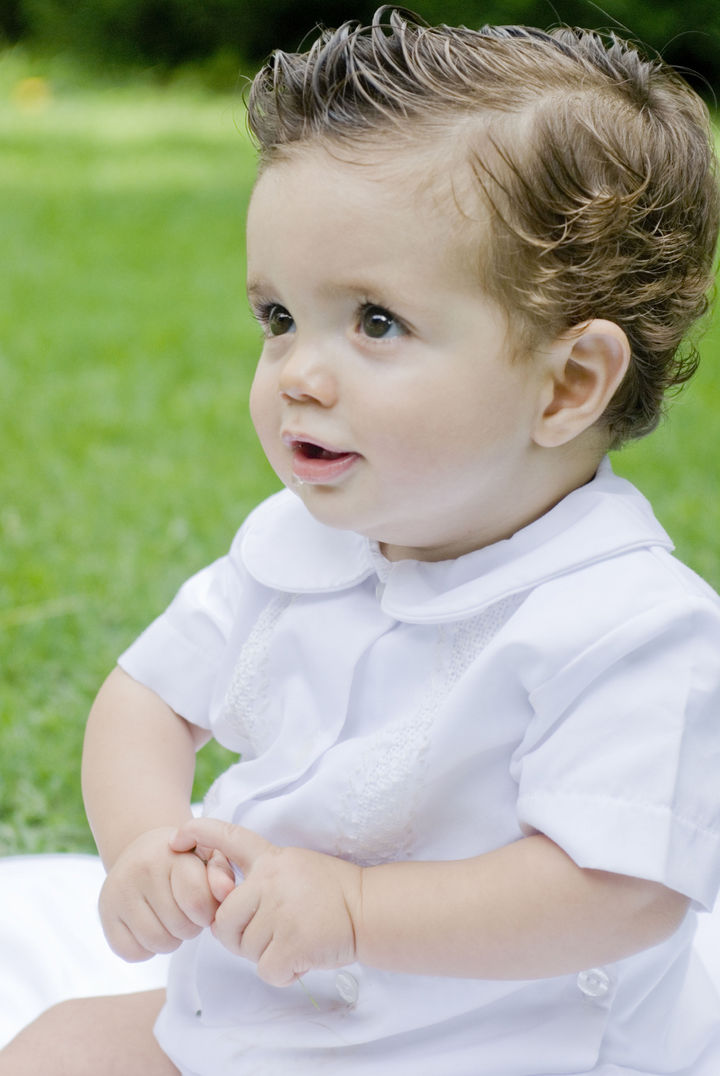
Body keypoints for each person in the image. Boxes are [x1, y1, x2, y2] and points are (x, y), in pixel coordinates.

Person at [3, 7, 720, 1074]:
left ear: (568, 382)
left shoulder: (628, 625)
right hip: (278, 1010)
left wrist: (358, 908)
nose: (297, 370)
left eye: (375, 322)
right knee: (56, 1045)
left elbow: (618, 889)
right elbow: (148, 697)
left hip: (507, 1045)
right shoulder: (300, 547)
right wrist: (147, 841)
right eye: (279, 316)